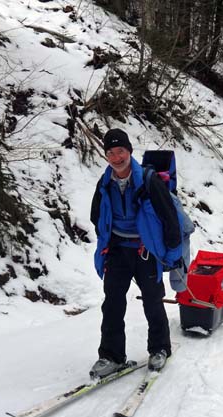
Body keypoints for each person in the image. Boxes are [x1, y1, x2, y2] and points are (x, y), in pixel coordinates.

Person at [90, 129, 182, 378]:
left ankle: (160, 348)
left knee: (153, 300)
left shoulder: (149, 181)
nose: (116, 157)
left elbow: (170, 220)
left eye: (120, 151)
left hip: (145, 251)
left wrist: (173, 255)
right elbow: (95, 215)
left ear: (129, 151)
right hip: (118, 250)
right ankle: (111, 356)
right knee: (112, 303)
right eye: (110, 152)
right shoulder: (105, 183)